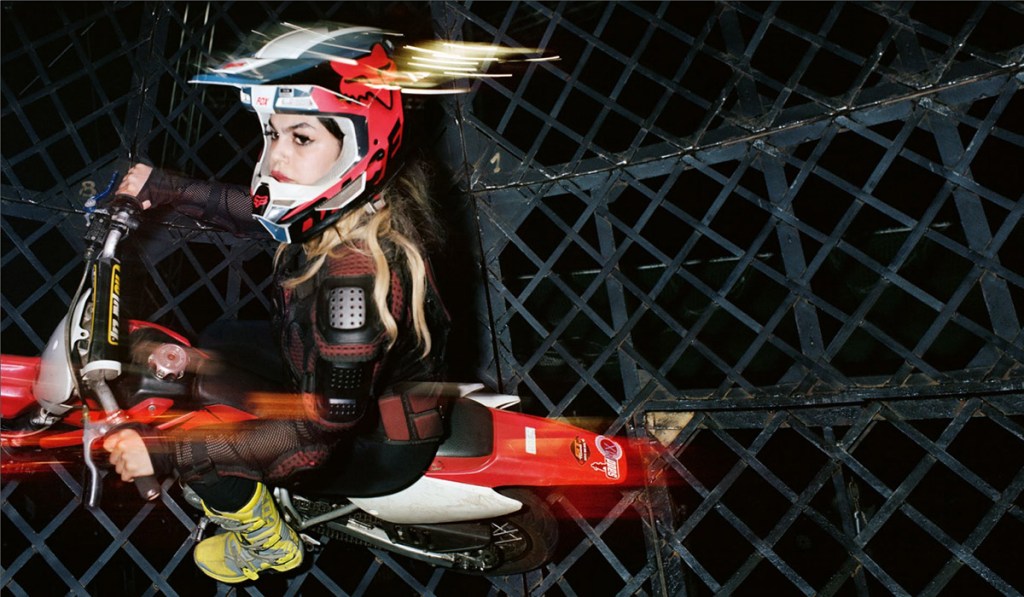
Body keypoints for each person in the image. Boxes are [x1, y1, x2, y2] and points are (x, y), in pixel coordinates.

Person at [102, 24, 450, 584]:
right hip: (321, 369)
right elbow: (256, 210)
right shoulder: (359, 205)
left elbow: (318, 437)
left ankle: (269, 544)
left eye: (301, 138)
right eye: (272, 133)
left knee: (194, 440)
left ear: (356, 147)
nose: (274, 157)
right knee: (216, 341)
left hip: (368, 442)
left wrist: (168, 455)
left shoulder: (353, 295)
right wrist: (171, 187)